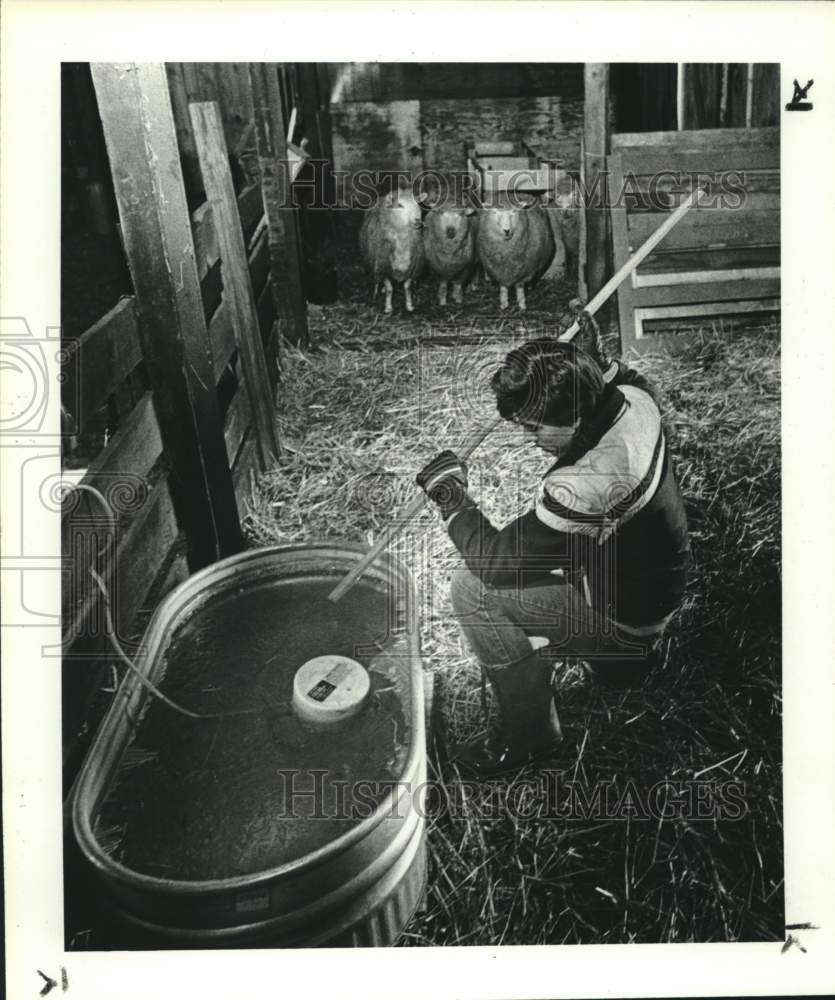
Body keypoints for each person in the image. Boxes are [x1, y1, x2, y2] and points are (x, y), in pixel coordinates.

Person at [416, 338, 690, 776]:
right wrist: (589, 359)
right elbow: (622, 376)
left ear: (576, 414)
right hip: (653, 589)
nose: (531, 440)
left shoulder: (588, 483)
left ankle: (530, 735)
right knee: (545, 551)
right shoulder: (637, 402)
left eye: (535, 427)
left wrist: (452, 500)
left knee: (472, 588)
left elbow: (496, 563)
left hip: (628, 632)